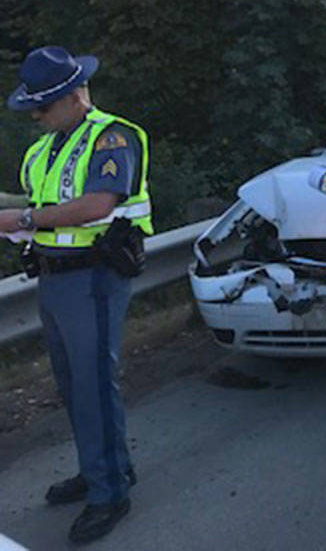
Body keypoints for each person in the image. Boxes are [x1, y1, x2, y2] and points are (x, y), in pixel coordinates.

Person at [0, 47, 152, 545]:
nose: (36, 117)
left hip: (94, 277)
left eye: (41, 107)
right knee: (73, 384)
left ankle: (109, 493)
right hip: (55, 278)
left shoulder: (111, 137)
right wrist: (13, 209)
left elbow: (96, 204)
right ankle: (102, 469)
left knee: (92, 385)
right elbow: (44, 201)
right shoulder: (47, 147)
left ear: (72, 96)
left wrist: (22, 218)